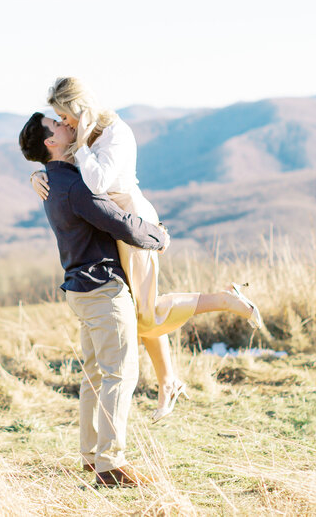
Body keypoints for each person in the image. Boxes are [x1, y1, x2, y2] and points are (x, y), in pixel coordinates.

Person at [30, 77, 266, 421]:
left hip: (132, 221)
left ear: (77, 110)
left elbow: (96, 183)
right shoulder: (84, 135)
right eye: (58, 119)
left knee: (144, 313)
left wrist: (80, 144)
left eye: (64, 116)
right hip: (112, 222)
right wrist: (38, 174)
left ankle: (224, 300)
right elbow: (63, 163)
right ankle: (169, 380)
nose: (63, 123)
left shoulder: (114, 134)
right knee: (140, 309)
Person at [18, 111, 167, 486]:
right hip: (102, 289)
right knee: (121, 373)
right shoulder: (73, 186)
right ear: (52, 142)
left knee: (95, 376)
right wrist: (158, 237)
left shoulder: (54, 181)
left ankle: (91, 457)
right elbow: (118, 221)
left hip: (80, 290)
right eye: (58, 125)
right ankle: (111, 465)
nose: (67, 124)